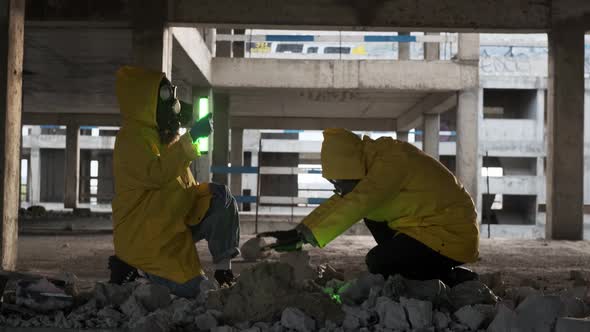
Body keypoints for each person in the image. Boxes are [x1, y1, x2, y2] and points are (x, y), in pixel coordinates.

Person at [259, 128, 479, 286]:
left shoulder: (392, 163)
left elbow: (359, 201)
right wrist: (300, 231)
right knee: (373, 220)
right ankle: (422, 270)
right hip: (425, 227)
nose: (338, 189)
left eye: (339, 183)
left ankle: (448, 279)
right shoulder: (370, 162)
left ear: (351, 168)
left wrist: (305, 236)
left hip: (452, 236)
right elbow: (346, 200)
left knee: (378, 261)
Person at [108, 66, 240, 297]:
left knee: (221, 198)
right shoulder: (131, 139)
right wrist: (193, 137)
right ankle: (131, 267)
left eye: (172, 95)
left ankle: (223, 271)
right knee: (197, 293)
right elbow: (158, 174)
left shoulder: (166, 137)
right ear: (145, 104)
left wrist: (209, 191)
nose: (173, 103)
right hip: (147, 239)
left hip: (170, 224)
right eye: (165, 97)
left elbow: (180, 186)